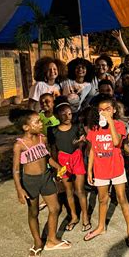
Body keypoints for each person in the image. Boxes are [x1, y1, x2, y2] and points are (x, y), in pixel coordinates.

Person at [9, 108, 71, 257]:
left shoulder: (42, 138)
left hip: (46, 177)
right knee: (33, 212)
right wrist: (19, 189)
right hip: (30, 182)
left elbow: (47, 157)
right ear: (26, 127)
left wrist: (58, 168)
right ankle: (37, 242)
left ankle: (51, 240)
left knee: (55, 208)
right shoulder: (20, 145)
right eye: (37, 122)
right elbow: (16, 169)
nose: (41, 123)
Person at [84, 96, 129, 247]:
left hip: (116, 168)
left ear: (114, 110)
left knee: (122, 198)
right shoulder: (94, 128)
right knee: (102, 199)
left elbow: (116, 142)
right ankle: (101, 227)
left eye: (108, 109)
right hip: (100, 170)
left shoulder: (119, 125)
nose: (104, 112)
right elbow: (93, 150)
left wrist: (110, 123)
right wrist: (89, 170)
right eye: (101, 110)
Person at [47, 97, 90, 232]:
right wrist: (56, 171)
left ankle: (85, 217)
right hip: (62, 161)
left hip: (76, 159)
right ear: (56, 115)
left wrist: (81, 143)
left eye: (69, 113)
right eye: (63, 114)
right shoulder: (52, 130)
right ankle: (73, 216)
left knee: (80, 190)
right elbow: (53, 150)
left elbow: (84, 144)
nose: (67, 116)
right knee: (68, 191)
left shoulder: (77, 127)